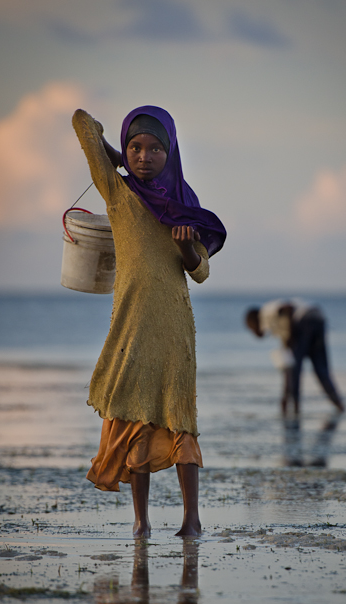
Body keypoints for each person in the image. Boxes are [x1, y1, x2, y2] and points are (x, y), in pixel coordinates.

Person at [72, 105, 226, 538]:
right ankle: (141, 523)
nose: (144, 156)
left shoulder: (182, 205)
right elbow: (81, 122)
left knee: (181, 420)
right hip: (131, 326)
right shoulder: (117, 194)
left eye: (155, 149)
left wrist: (188, 251)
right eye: (135, 147)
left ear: (171, 152)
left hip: (175, 328)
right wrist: (114, 154)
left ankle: (191, 520)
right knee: (135, 421)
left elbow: (200, 272)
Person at [245, 299, 345, 415]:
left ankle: (295, 410)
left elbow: (288, 308)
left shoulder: (266, 312)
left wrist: (291, 335)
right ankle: (340, 406)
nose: (254, 332)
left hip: (304, 320)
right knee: (321, 370)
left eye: (251, 329)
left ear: (254, 322)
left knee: (294, 369)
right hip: (318, 318)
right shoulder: (276, 327)